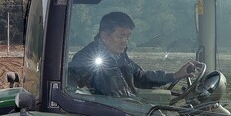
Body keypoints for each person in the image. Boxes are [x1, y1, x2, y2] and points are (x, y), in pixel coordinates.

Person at [67, 11, 196, 98]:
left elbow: (141, 77)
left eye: (128, 36)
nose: (125, 41)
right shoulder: (87, 58)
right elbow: (68, 87)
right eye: (121, 36)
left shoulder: (120, 57)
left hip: (129, 109)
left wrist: (175, 75)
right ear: (104, 36)